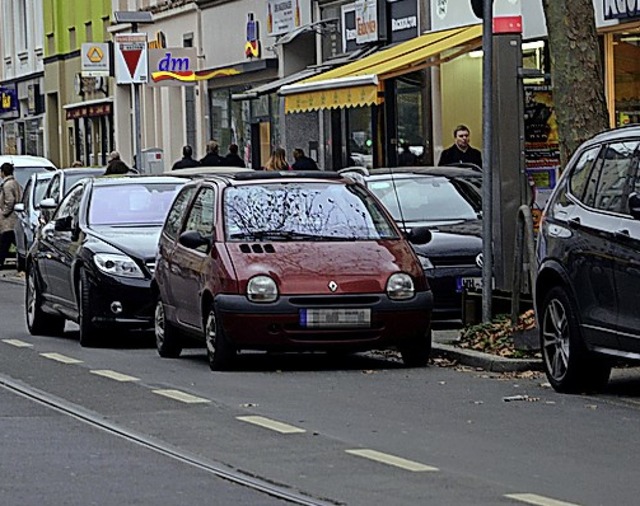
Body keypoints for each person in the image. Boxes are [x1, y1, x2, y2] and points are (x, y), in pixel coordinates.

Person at [0, 163, 22, 269]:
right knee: (13, 240)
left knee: (5, 241)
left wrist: (4, 212)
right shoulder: (15, 183)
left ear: (3, 172)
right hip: (15, 218)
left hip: (9, 220)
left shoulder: (7, 185)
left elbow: (10, 201)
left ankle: (1, 261)